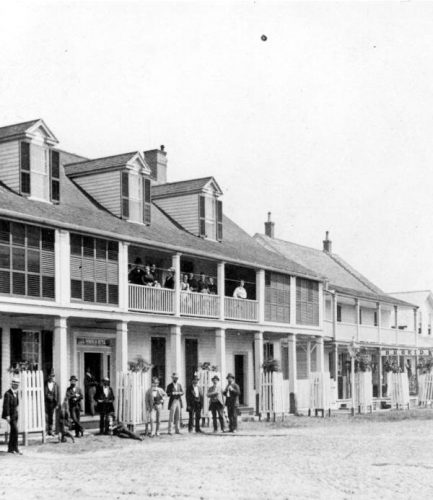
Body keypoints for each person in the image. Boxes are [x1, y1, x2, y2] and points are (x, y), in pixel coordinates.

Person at [2, 375, 21, 454]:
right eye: (15, 384)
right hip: (10, 416)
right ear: (12, 384)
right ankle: (16, 448)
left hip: (15, 415)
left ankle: (10, 448)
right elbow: (6, 406)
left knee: (13, 431)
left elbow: (17, 404)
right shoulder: (8, 393)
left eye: (18, 384)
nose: (16, 385)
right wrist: (7, 415)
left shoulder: (16, 393)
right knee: (16, 431)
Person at [44, 371, 59, 436]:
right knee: (46, 417)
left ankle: (51, 430)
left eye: (53, 376)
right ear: (48, 377)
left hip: (53, 403)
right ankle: (46, 431)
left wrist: (57, 403)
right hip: (46, 402)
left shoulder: (56, 385)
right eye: (50, 376)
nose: (51, 377)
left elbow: (58, 394)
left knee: (51, 417)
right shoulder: (45, 384)